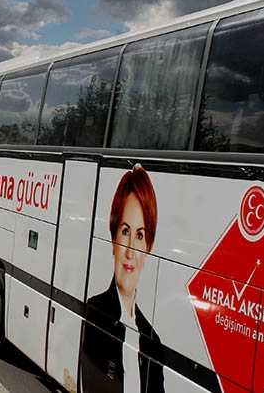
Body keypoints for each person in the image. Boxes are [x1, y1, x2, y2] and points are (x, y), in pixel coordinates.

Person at [80, 164, 164, 393]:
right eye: (125, 232)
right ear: (113, 239)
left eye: (140, 235)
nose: (130, 251)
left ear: (148, 248)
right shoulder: (95, 311)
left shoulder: (152, 341)